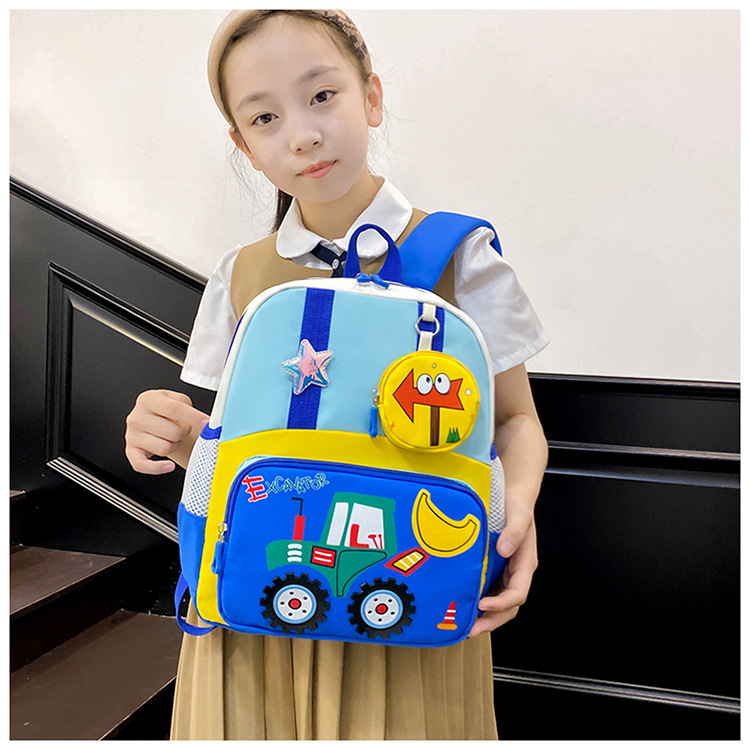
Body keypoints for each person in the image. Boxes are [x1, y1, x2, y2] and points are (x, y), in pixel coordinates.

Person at [124, 9, 549, 740]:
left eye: (322, 95)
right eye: (264, 118)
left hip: (411, 597)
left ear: (371, 97)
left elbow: (515, 421)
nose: (301, 135)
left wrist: (514, 518)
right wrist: (172, 436)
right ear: (244, 146)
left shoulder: (461, 255)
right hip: (253, 608)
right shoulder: (240, 276)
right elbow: (235, 452)